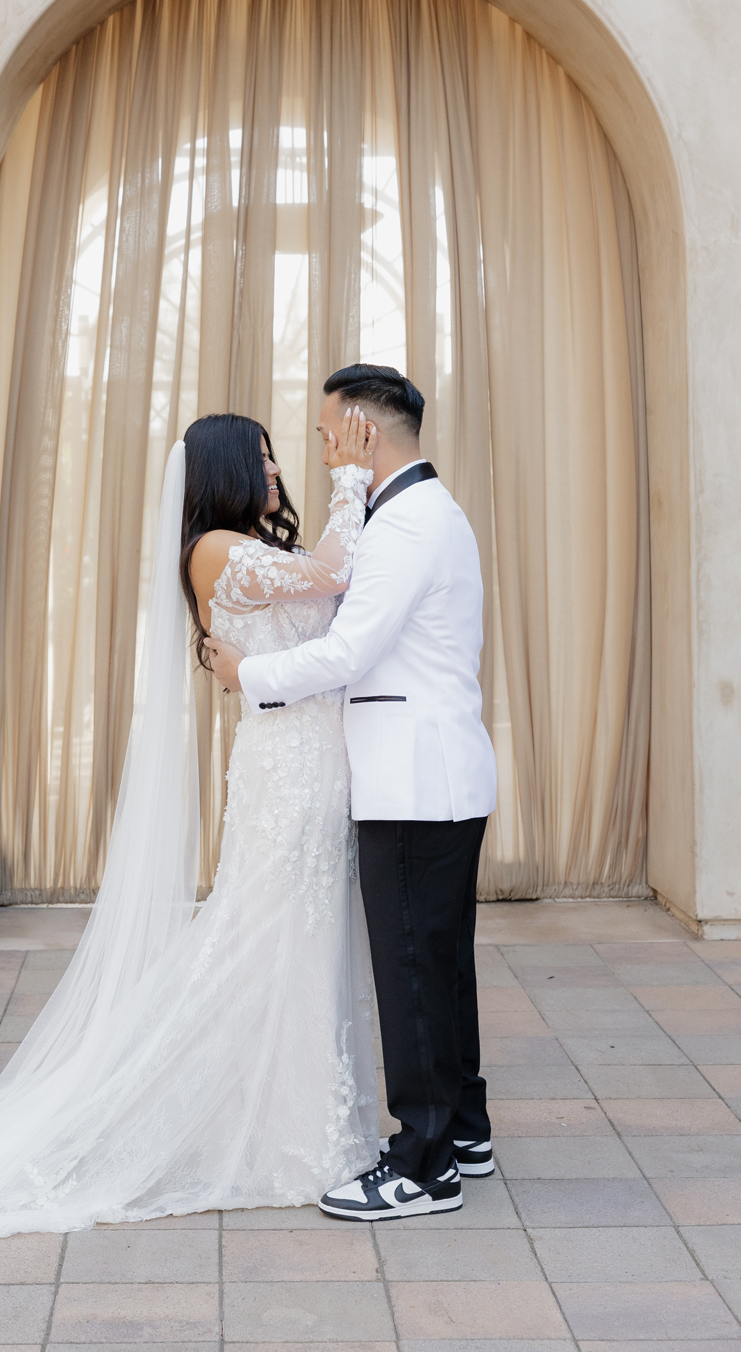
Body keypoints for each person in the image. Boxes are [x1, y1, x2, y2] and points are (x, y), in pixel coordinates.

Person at [0, 412, 380, 1250]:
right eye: (259, 454)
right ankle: (216, 1113)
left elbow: (324, 603)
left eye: (275, 452)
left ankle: (288, 1117)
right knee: (258, 938)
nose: (274, 466)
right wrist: (352, 476)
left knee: (290, 944)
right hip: (286, 775)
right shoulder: (218, 550)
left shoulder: (251, 547)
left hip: (308, 762)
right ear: (224, 467)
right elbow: (337, 576)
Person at [207, 364, 497, 1221]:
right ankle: (465, 1130)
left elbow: (347, 653)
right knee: (439, 966)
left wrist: (247, 671)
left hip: (413, 779)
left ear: (365, 431)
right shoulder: (416, 513)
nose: (324, 447)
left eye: (332, 431)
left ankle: (423, 1162)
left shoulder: (405, 524)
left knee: (411, 967)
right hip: (434, 773)